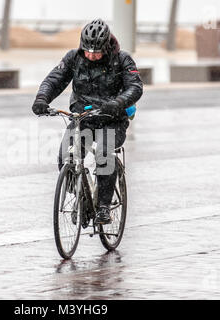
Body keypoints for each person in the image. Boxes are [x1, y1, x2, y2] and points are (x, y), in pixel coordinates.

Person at [32, 19, 143, 224]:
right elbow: (54, 80)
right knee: (65, 156)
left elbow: (135, 87)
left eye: (97, 52)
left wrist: (117, 103)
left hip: (113, 119)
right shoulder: (74, 58)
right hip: (83, 118)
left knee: (102, 152)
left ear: (107, 47)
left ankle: (103, 207)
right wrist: (42, 99)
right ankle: (81, 195)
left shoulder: (122, 60)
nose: (91, 55)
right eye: (87, 51)